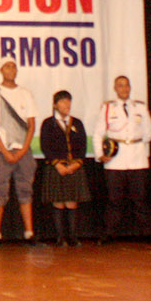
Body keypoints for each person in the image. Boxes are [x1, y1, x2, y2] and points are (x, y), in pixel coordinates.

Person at [94, 75, 151, 242]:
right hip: (115, 160)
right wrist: (100, 154)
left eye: (127, 85)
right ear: (115, 88)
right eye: (120, 85)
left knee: (140, 198)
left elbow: (149, 133)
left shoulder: (140, 107)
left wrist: (136, 143)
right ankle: (109, 233)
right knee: (114, 200)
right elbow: (98, 133)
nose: (124, 88)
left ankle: (147, 232)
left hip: (137, 158)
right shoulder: (108, 108)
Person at [0, 56, 36, 246]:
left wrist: (23, 150)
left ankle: (29, 233)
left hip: (23, 150)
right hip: (1, 151)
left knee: (26, 190)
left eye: (14, 67)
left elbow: (31, 125)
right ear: (1, 70)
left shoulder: (25, 94)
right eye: (7, 67)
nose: (11, 70)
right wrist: (5, 151)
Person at [39, 90, 89, 246]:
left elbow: (82, 146)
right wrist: (57, 164)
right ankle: (60, 237)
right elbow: (45, 146)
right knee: (58, 202)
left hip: (74, 166)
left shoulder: (77, 123)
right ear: (55, 105)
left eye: (68, 101)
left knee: (72, 202)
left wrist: (77, 164)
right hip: (56, 167)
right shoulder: (48, 123)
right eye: (62, 101)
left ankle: (73, 236)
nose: (66, 104)